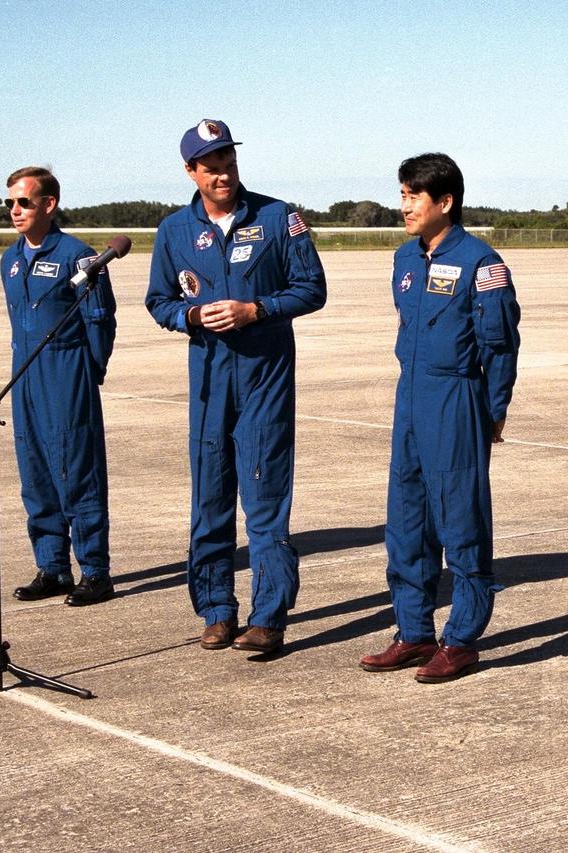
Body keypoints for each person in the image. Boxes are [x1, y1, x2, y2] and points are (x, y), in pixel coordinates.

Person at [145, 119, 327, 655]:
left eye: (228, 161)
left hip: (264, 378)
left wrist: (257, 308)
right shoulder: (174, 230)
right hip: (208, 382)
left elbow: (311, 289)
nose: (223, 173)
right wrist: (193, 316)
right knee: (209, 500)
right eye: (211, 166)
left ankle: (268, 616)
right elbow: (159, 302)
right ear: (191, 171)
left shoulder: (279, 218)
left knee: (266, 499)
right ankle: (217, 610)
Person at [359, 153, 521, 683]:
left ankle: (463, 638)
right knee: (406, 519)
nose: (403, 205)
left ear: (444, 202)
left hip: (456, 399)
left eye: (412, 196)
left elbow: (499, 346)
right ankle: (413, 631)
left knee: (460, 519)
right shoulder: (406, 259)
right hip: (411, 396)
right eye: (402, 194)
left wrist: (492, 412)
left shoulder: (482, 262)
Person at [1, 166, 118, 607]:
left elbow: (99, 319)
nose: (14, 210)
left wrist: (90, 370)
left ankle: (95, 571)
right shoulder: (10, 260)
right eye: (9, 202)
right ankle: (52, 566)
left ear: (49, 205)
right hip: (25, 372)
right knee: (35, 471)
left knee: (75, 470)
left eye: (23, 202)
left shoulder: (78, 256)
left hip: (67, 371)